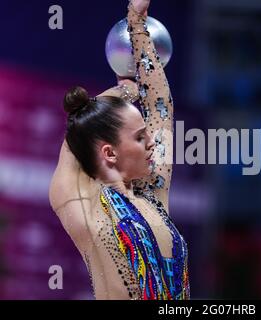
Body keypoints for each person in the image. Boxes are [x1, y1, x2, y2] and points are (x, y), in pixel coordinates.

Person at [48, 0, 190, 300]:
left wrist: (137, 22)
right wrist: (118, 94)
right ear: (110, 153)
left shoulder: (153, 197)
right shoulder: (84, 206)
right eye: (140, 138)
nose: (152, 142)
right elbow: (75, 138)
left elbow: (161, 108)